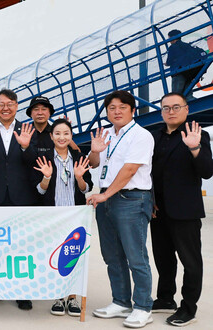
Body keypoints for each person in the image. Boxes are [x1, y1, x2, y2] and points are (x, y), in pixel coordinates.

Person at [87, 90, 155, 328]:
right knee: (112, 256)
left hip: (131, 198)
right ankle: (121, 301)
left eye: (122, 107)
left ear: (132, 110)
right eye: (112, 108)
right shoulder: (106, 134)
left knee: (136, 256)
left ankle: (143, 306)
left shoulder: (141, 135)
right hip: (107, 197)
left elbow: (130, 170)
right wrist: (94, 151)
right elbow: (94, 164)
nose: (116, 112)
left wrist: (105, 195)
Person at [149, 92, 213, 326]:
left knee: (190, 261)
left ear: (186, 109)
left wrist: (195, 148)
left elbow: (207, 171)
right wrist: (149, 199)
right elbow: (147, 173)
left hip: (185, 211)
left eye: (176, 107)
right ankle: (166, 298)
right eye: (166, 108)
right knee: (163, 258)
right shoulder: (154, 137)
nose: (171, 111)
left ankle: (188, 308)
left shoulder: (197, 134)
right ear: (161, 112)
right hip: (158, 209)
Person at [0, 88, 37, 310]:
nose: (5, 108)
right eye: (1, 104)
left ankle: (22, 291)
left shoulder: (27, 129)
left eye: (10, 104)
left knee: (21, 247)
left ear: (17, 106)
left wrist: (25, 146)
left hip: (21, 196)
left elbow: (35, 161)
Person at [33, 118, 93, 317]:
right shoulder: (44, 159)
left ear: (71, 136)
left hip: (76, 215)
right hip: (53, 216)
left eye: (66, 133)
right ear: (51, 136)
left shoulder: (79, 157)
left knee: (74, 254)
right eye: (57, 133)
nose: (61, 137)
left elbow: (86, 188)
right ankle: (58, 296)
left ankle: (72, 297)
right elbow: (40, 191)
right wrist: (46, 177)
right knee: (56, 254)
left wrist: (79, 177)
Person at [166, 29, 208, 99]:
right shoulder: (187, 46)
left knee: (176, 96)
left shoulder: (173, 47)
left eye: (169, 38)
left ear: (173, 37)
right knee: (188, 95)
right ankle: (194, 103)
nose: (169, 41)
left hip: (178, 72)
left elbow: (169, 61)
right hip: (189, 73)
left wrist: (167, 63)